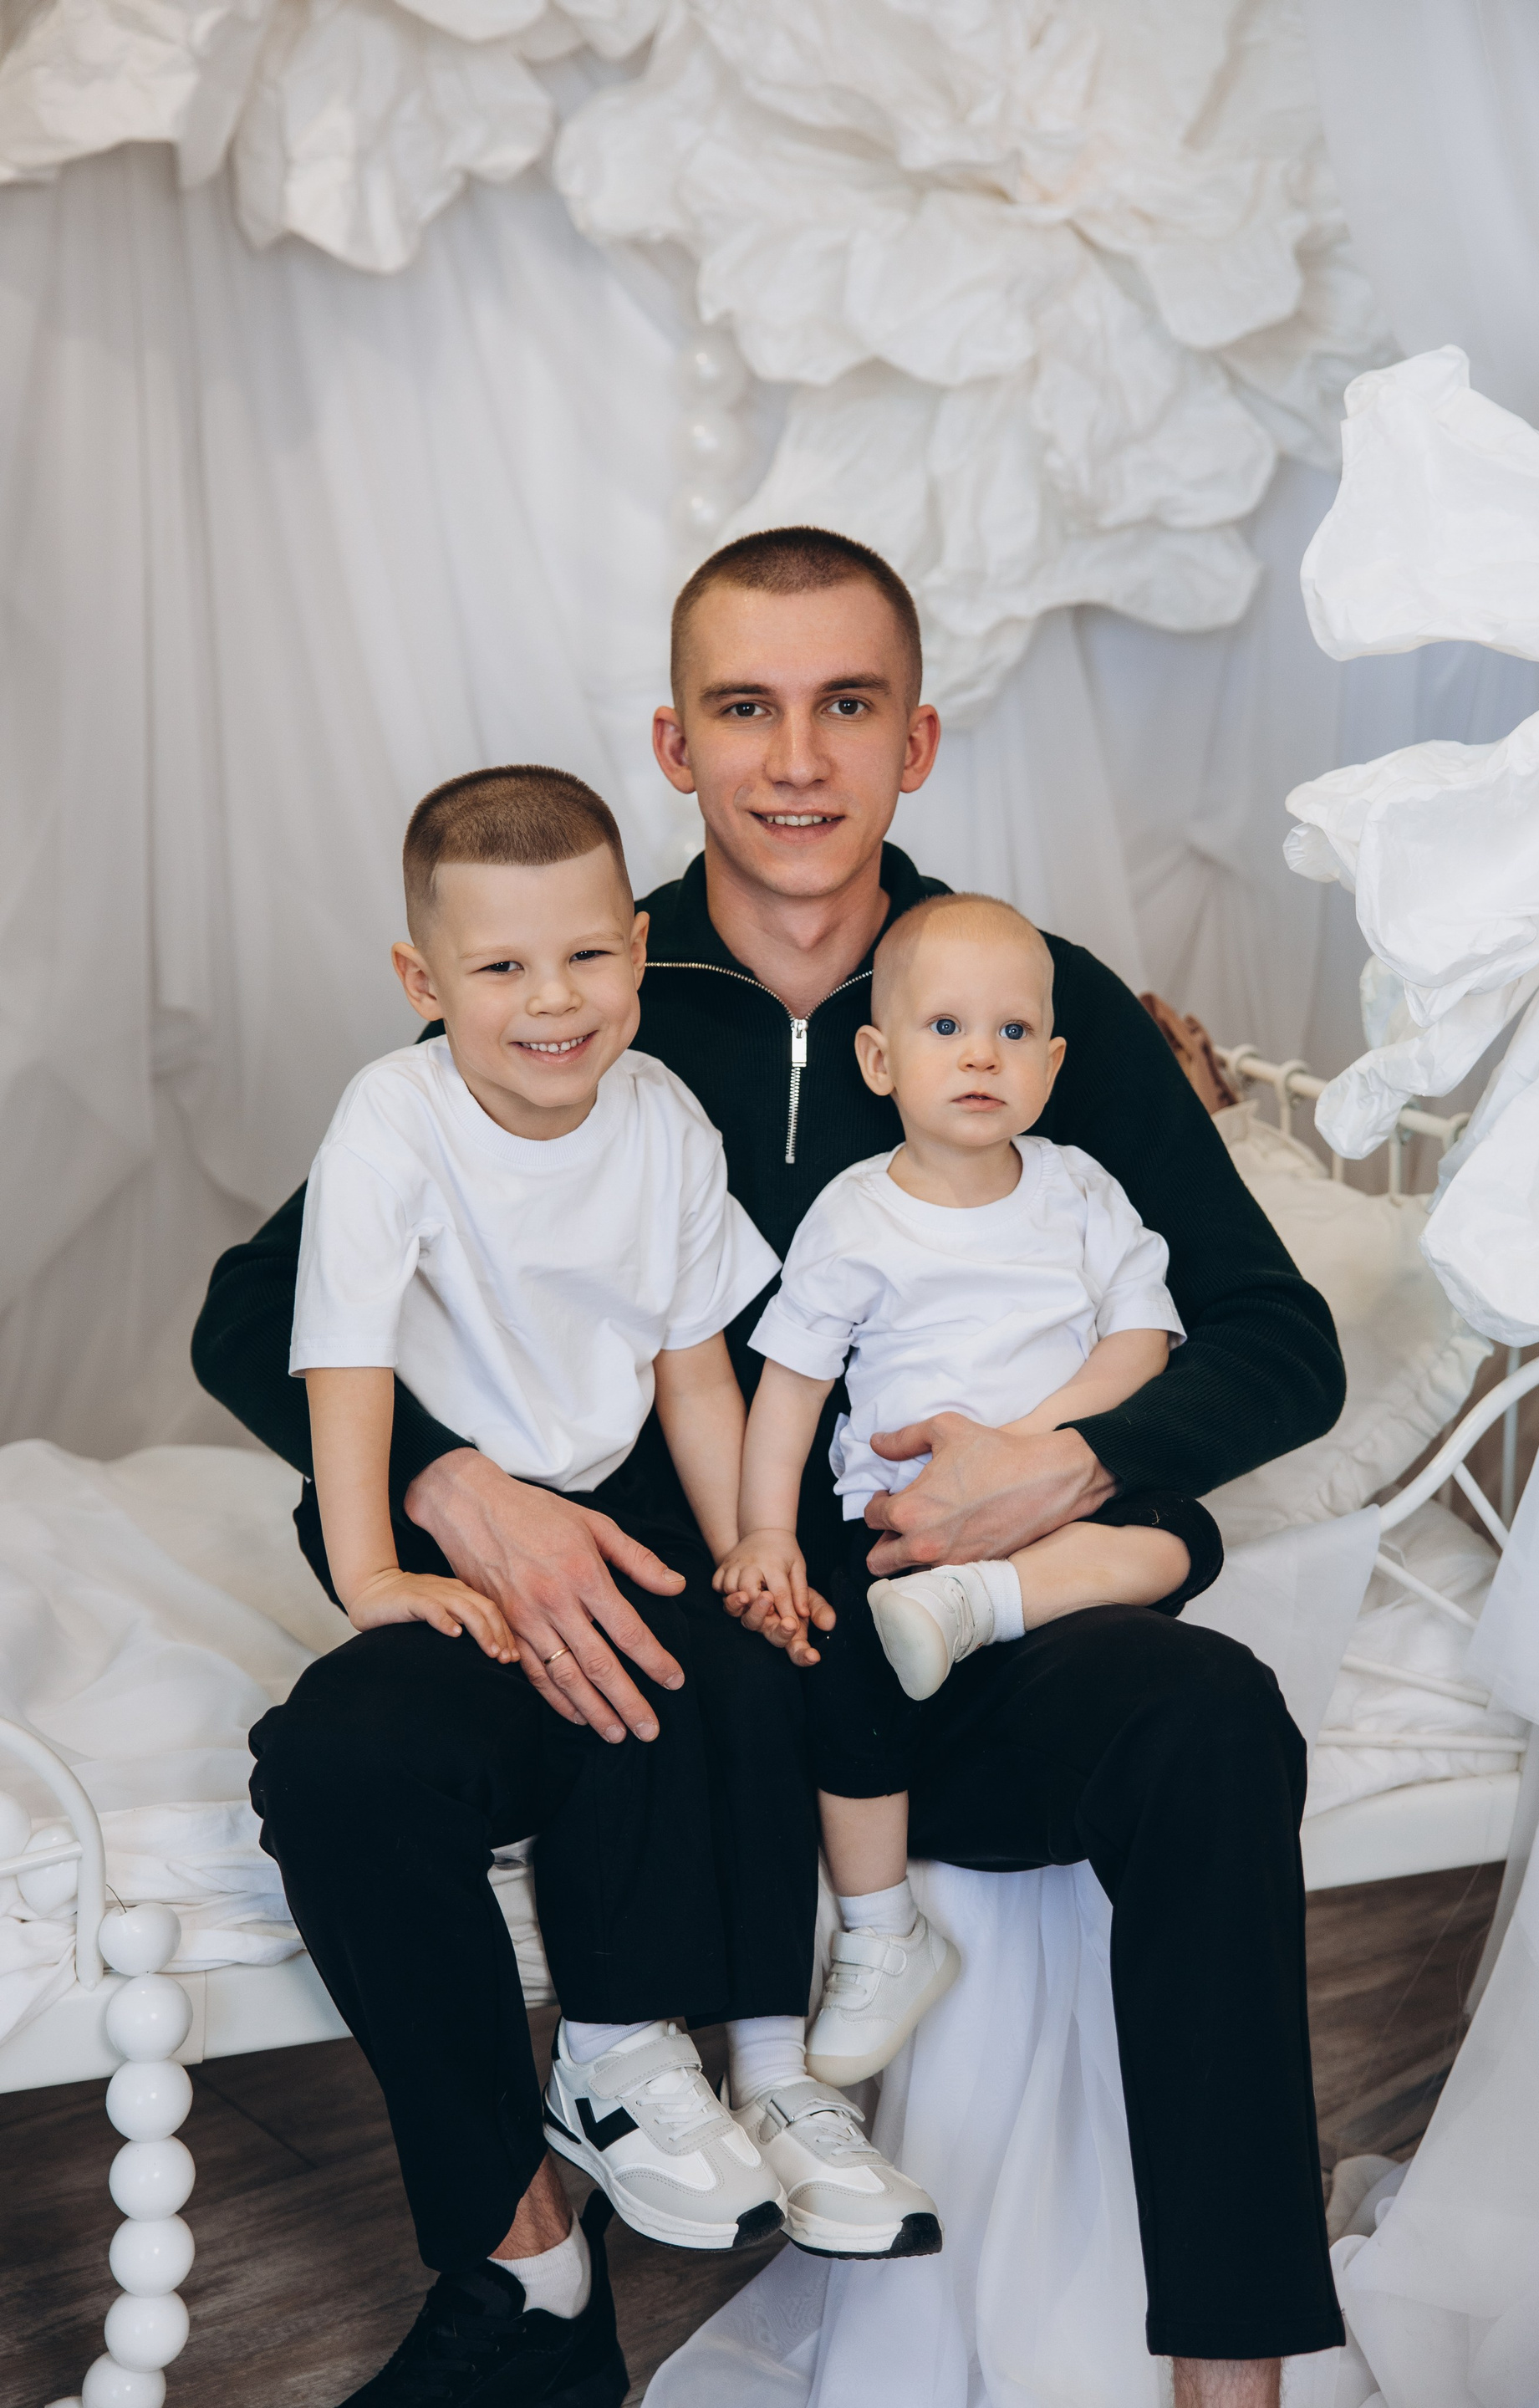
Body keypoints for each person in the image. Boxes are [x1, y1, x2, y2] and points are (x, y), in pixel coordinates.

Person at [194, 524, 1348, 2408]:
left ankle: (1233, 2373)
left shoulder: (1021, 992)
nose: (797, 759)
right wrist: (454, 1484)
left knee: (1213, 1726)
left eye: (848, 706)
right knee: (341, 1760)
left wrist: (1064, 1466)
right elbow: (264, 1308)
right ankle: (526, 2281)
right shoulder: (584, 982)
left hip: (940, 1626)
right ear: (676, 745)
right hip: (649, 1634)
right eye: (746, 709)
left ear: (919, 741)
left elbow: (1277, 1339)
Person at [252, 763, 940, 2407]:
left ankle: (723, 2073)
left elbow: (695, 1373)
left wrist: (750, 1547)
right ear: (424, 982)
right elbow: (343, 1357)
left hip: (628, 1511)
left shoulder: (663, 1121)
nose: (552, 1002)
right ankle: (527, 2246)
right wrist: (371, 1568)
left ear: (635, 950)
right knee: (343, 1760)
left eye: (583, 957)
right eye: (500, 968)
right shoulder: (394, 1118)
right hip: (449, 1538)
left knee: (738, 1664)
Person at [713, 890, 1225, 2089]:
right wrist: (763, 1533)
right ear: (879, 1060)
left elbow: (1141, 1344)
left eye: (1013, 1032)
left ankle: (980, 1606)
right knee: (840, 1670)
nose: (982, 1056)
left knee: (1183, 1536)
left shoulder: (1080, 1192)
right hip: (899, 1526)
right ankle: (883, 1934)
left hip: (1058, 1512)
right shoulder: (855, 1215)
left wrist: (1014, 1449)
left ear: (1052, 1064)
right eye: (946, 1028)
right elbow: (788, 1392)